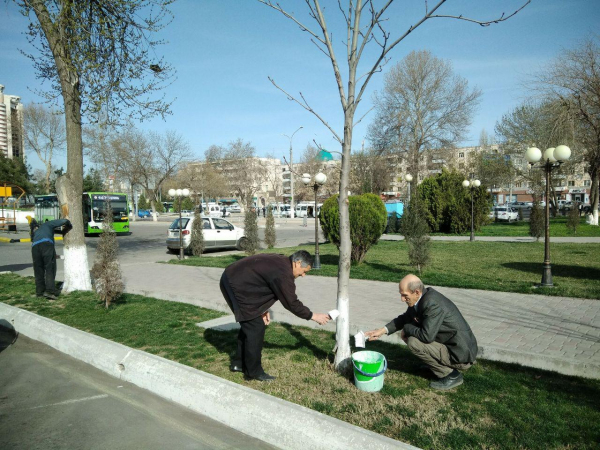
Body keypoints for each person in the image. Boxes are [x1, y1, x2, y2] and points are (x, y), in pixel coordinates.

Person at [219, 250, 330, 382]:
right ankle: (253, 372)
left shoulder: (282, 263)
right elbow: (291, 303)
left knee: (249, 324)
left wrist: (262, 310)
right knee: (255, 327)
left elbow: (262, 286)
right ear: (297, 263)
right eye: (304, 271)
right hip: (234, 283)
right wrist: (313, 316)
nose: (303, 275)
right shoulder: (283, 273)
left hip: (233, 278)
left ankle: (239, 363)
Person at [365, 274, 477, 391]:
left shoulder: (432, 304)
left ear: (417, 292)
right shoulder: (422, 298)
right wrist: (381, 331)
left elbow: (426, 336)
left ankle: (451, 375)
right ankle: (434, 366)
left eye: (404, 295)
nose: (402, 299)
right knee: (414, 336)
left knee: (414, 342)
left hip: (460, 354)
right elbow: (405, 318)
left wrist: (407, 329)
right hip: (453, 347)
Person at [30, 218, 72, 300]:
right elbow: (64, 221)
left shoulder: (37, 232)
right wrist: (69, 225)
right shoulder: (48, 224)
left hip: (34, 248)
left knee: (38, 270)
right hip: (46, 245)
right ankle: (49, 291)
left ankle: (40, 292)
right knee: (50, 268)